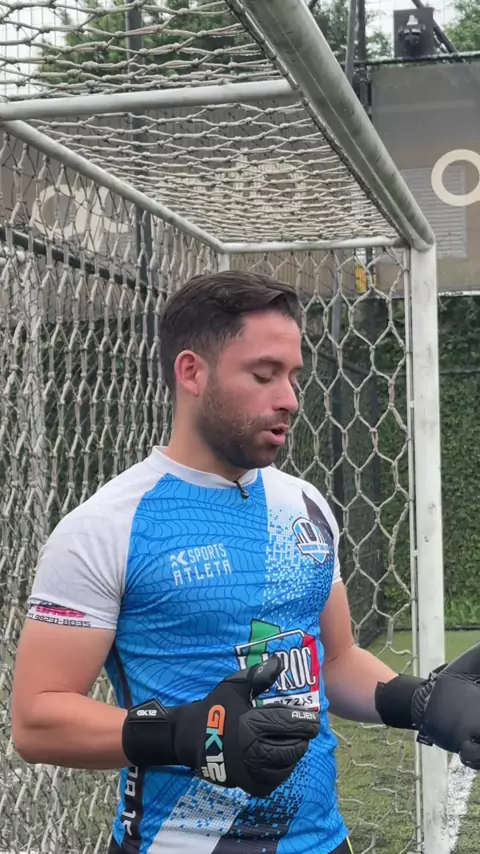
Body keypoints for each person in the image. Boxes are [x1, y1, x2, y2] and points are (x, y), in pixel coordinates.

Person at [11, 270, 480, 854]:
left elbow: (334, 661)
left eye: (293, 376)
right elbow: (37, 719)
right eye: (264, 374)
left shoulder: (304, 504)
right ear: (192, 373)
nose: (289, 398)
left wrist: (418, 701)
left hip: (323, 841)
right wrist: (187, 735)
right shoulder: (105, 527)